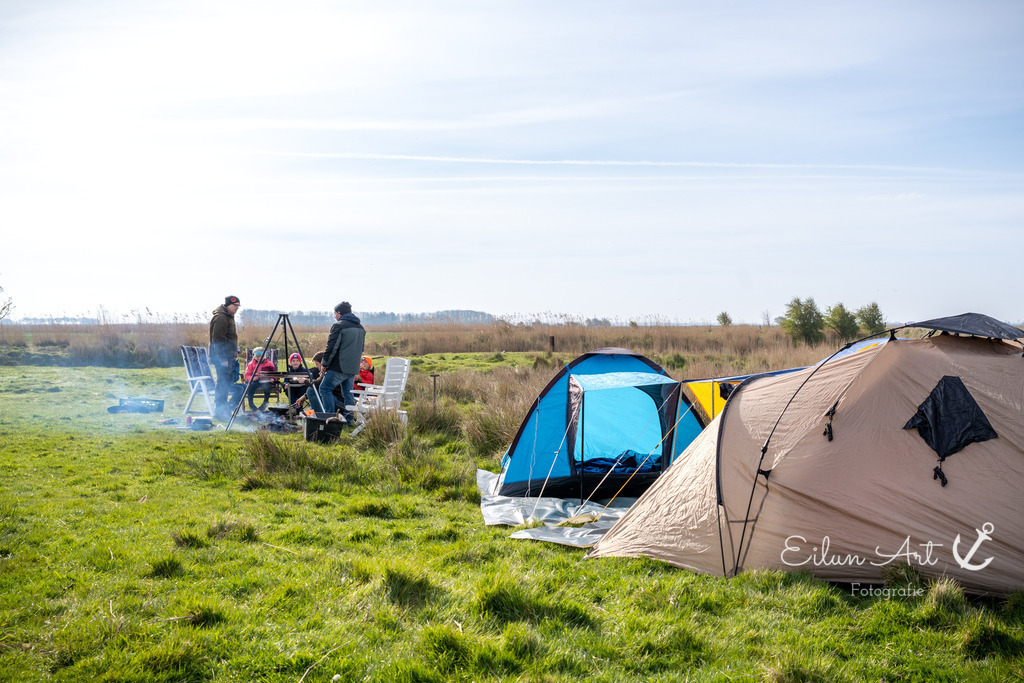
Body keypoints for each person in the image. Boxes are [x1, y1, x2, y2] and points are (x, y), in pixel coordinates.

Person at [319, 301, 366, 423]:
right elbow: (361, 349)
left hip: (338, 366)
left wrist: (324, 364)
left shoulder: (339, 326)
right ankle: (349, 420)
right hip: (352, 368)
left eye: (335, 313)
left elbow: (331, 347)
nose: (334, 316)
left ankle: (330, 419)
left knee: (324, 388)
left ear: (339, 313)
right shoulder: (361, 328)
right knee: (348, 394)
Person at [209, 295, 243, 420]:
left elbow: (229, 338)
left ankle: (225, 409)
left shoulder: (229, 317)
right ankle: (220, 411)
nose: (237, 308)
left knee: (227, 383)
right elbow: (217, 340)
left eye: (238, 306)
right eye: (235, 306)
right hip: (221, 358)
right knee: (222, 384)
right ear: (228, 305)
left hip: (228, 357)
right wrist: (223, 358)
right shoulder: (221, 318)